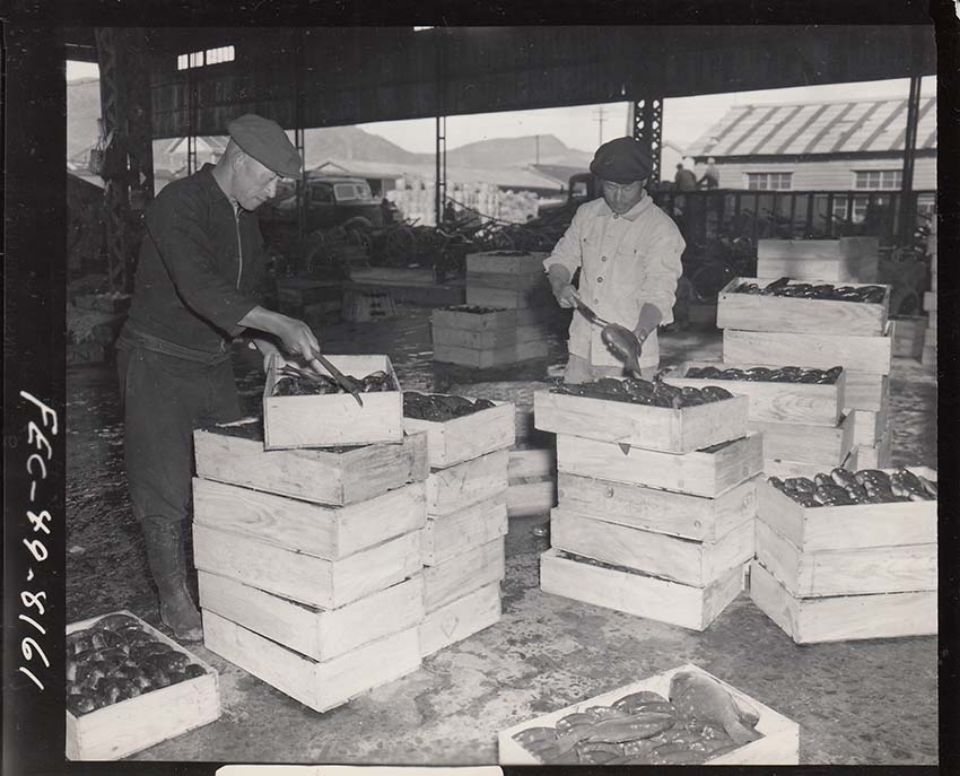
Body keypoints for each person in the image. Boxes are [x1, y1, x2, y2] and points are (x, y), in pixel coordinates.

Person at [116, 114, 321, 642]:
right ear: (238, 159)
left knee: (230, 468)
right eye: (270, 178)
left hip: (209, 362)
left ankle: (230, 583)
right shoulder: (178, 203)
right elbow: (201, 289)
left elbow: (237, 301)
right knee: (162, 486)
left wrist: (267, 346)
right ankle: (173, 600)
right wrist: (278, 321)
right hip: (157, 361)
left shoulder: (243, 219)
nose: (273, 192)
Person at [544, 136, 685, 384]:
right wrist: (560, 285)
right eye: (610, 187)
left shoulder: (661, 229)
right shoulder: (586, 214)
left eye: (627, 188)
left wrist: (636, 336)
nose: (618, 197)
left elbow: (659, 293)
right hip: (581, 348)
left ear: (643, 182)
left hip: (628, 360)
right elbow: (562, 257)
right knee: (572, 418)